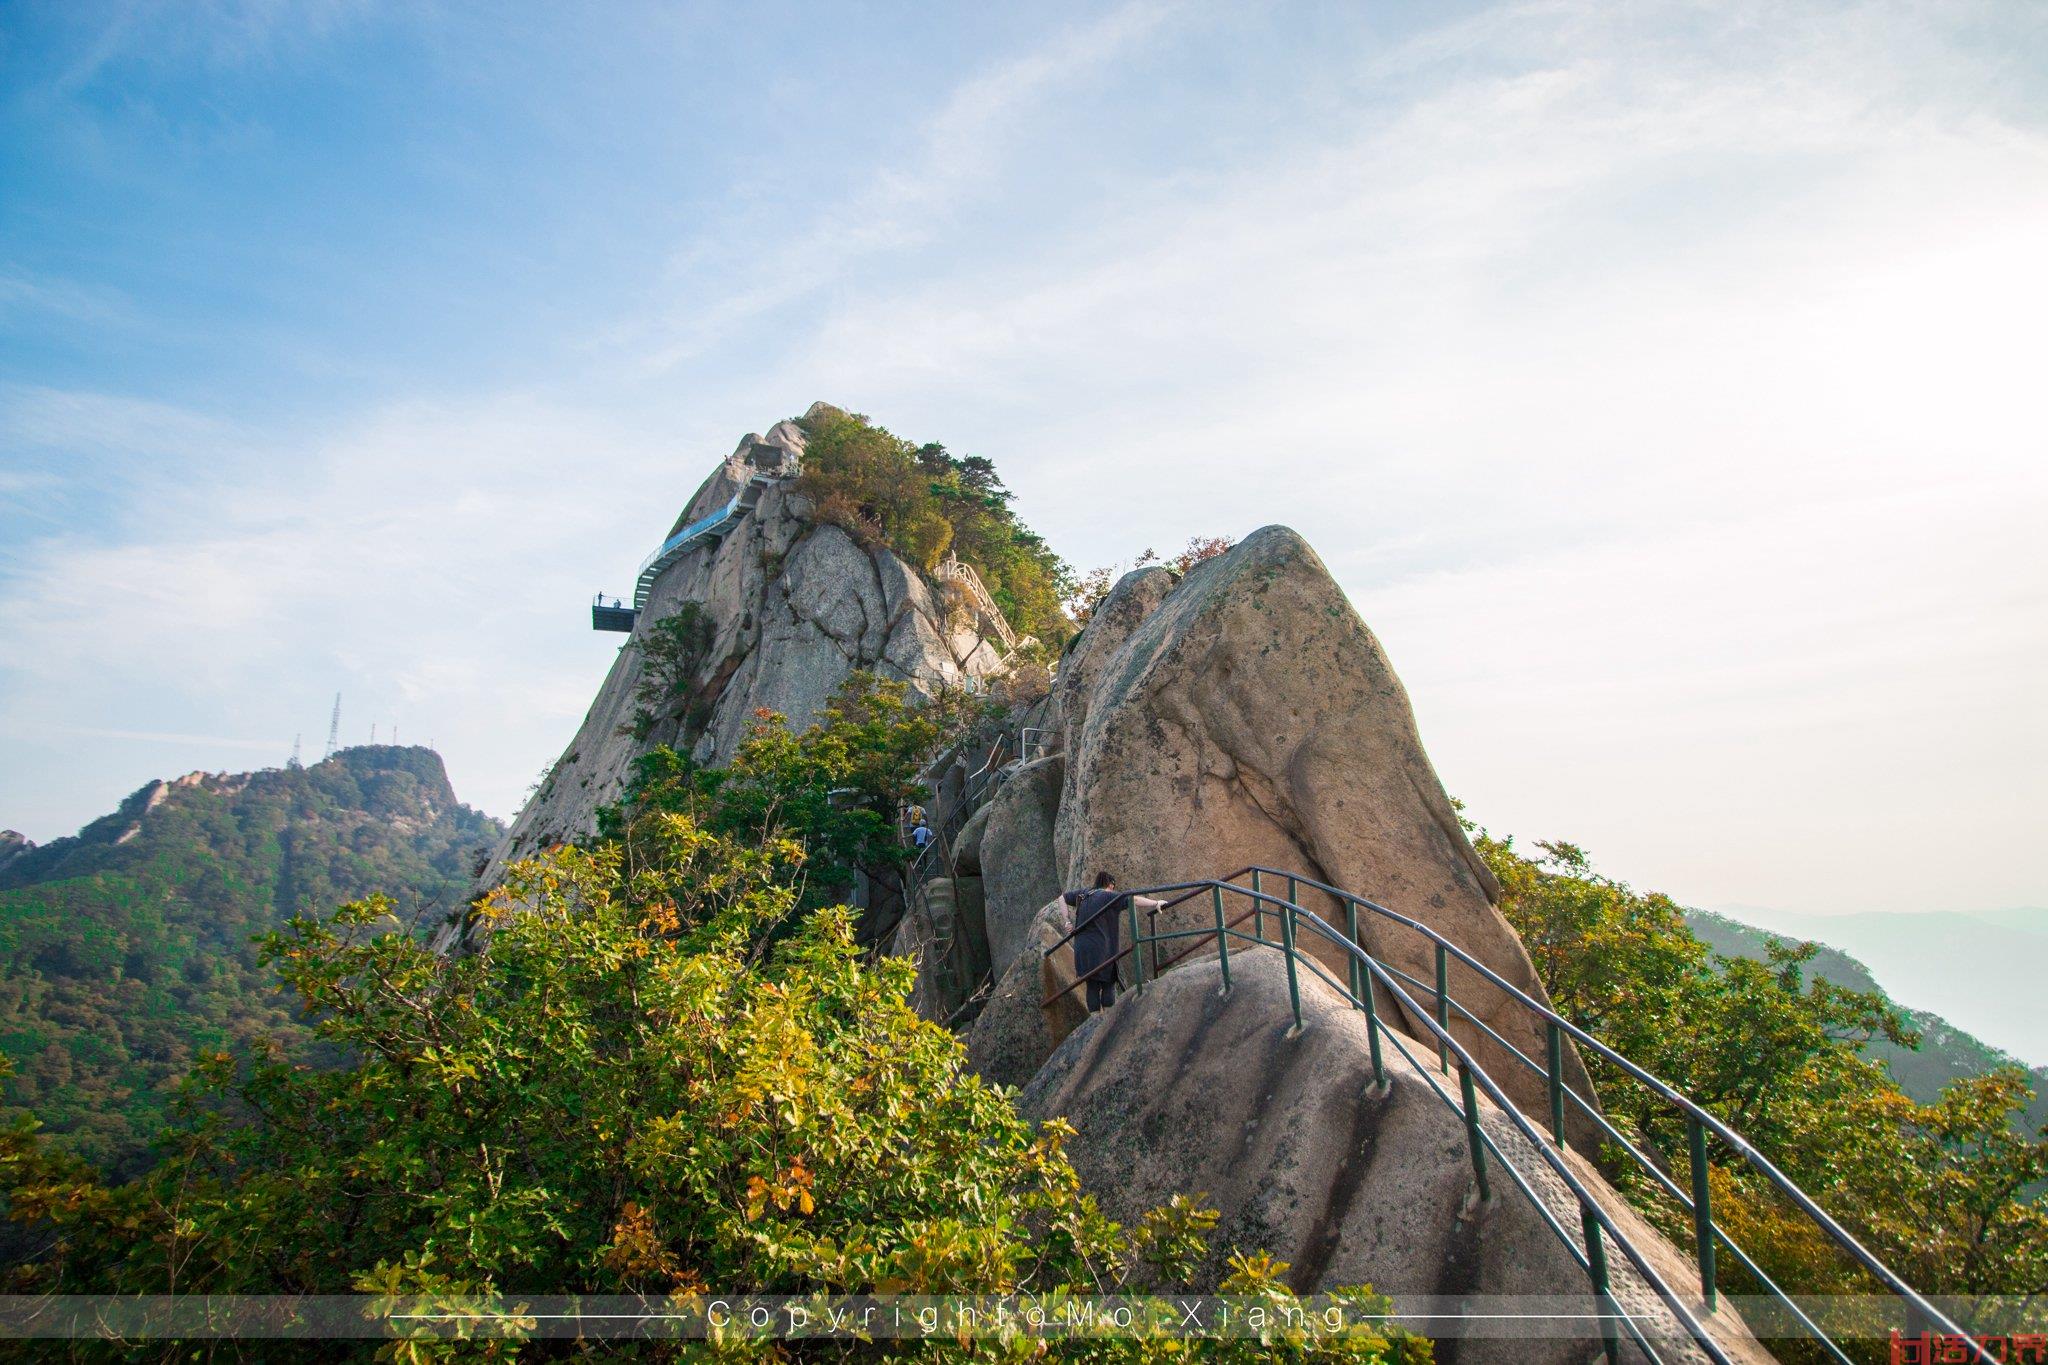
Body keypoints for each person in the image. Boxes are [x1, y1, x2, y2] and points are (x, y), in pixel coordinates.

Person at [1062, 872, 1164, 1013]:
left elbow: (1061, 898)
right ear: (1110, 885)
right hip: (1101, 949)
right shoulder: (1108, 895)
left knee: (1092, 985)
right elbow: (1133, 899)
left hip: (1082, 949)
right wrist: (1156, 903)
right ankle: (1108, 1019)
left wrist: (1067, 920)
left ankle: (1095, 1021)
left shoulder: (1084, 894)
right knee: (1108, 982)